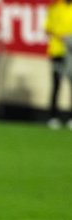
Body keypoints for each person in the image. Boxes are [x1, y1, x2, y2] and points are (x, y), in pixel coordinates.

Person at [44, 0, 72, 130]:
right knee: (56, 83)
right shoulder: (55, 8)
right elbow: (47, 28)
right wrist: (60, 36)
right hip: (58, 50)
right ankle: (53, 117)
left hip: (71, 52)